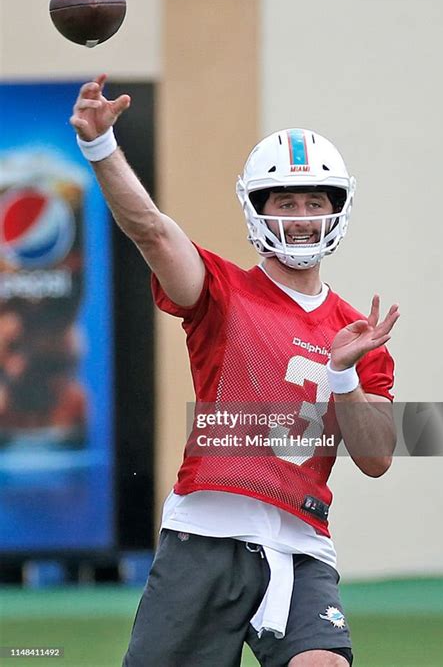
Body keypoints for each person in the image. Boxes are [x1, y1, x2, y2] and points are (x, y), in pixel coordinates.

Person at [70, 74, 400, 667]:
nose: (301, 217)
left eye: (315, 201)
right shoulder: (223, 291)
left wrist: (344, 376)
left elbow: (376, 459)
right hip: (207, 538)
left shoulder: (358, 332)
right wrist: (101, 148)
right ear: (259, 209)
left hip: (302, 544)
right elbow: (150, 229)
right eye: (286, 202)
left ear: (336, 210)